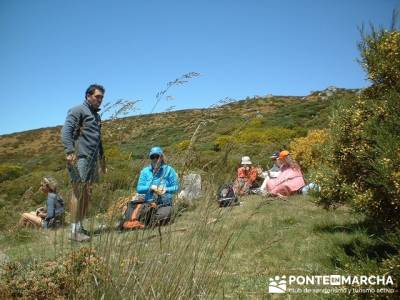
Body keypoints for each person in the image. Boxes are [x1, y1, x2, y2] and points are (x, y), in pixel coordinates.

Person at [61, 84, 107, 242]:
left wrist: (102, 159)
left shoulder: (96, 116)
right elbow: (66, 130)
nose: (100, 100)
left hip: (92, 159)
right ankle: (74, 231)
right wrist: (69, 151)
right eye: (97, 96)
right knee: (78, 192)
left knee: (87, 194)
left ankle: (79, 226)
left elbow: (98, 140)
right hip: (80, 157)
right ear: (88, 96)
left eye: (102, 97)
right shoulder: (77, 110)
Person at [124, 146, 179, 227]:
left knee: (165, 214)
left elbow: (176, 187)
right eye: (152, 157)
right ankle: (142, 221)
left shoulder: (169, 170)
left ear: (161, 157)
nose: (155, 159)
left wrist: (166, 189)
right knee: (131, 210)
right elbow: (139, 188)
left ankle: (141, 222)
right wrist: (151, 187)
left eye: (157, 156)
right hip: (148, 203)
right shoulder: (145, 171)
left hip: (164, 203)